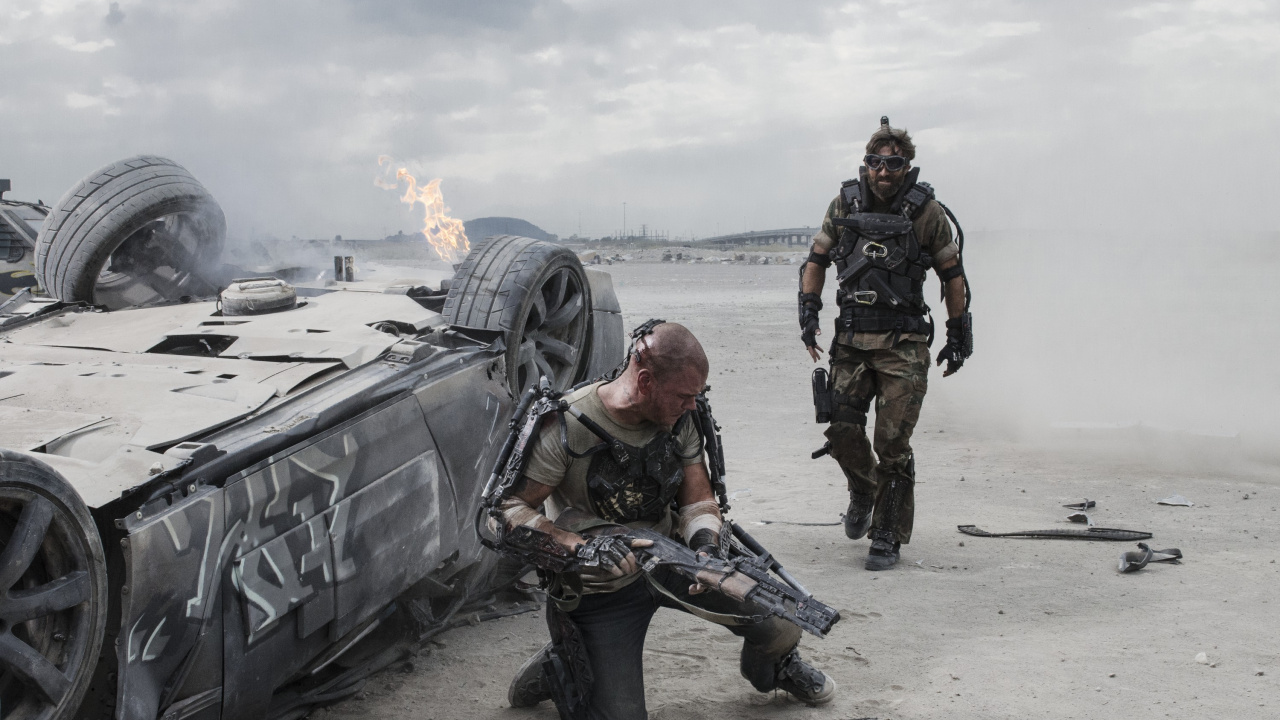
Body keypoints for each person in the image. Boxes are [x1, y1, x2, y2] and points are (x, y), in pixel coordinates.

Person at [497, 322, 835, 719]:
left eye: (695, 396)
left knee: (782, 620)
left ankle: (775, 670)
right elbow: (508, 511)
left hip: (675, 557)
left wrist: (706, 551)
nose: (692, 405)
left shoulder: (679, 418)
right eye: (683, 396)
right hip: (602, 586)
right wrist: (583, 548)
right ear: (645, 381)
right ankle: (566, 659)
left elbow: (698, 499)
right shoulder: (566, 425)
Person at [798, 117, 972, 571]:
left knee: (892, 444)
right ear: (866, 163)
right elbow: (816, 259)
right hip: (852, 339)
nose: (883, 171)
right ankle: (863, 490)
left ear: (906, 166)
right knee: (841, 428)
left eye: (893, 164)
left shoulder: (927, 212)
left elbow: (952, 275)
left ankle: (887, 533)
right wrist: (808, 311)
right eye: (875, 162)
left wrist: (958, 333)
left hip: (904, 344)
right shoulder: (845, 203)